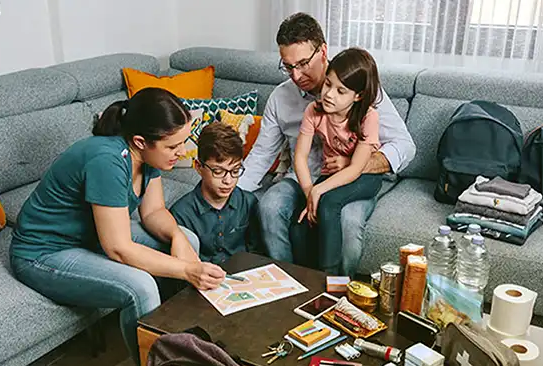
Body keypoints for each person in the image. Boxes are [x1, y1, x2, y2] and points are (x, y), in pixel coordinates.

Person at [9, 88, 226, 364]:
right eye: (173, 147)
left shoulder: (148, 156)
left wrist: (176, 236)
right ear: (140, 141)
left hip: (88, 237)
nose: (181, 153)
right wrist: (186, 269)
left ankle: (182, 339)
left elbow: (154, 212)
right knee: (141, 286)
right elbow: (119, 249)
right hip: (42, 253)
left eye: (182, 143)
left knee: (187, 239)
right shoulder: (107, 161)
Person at [237, 12, 415, 276]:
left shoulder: (359, 88)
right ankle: (289, 282)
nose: (296, 75)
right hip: (302, 179)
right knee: (269, 206)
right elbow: (262, 154)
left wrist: (355, 164)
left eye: (303, 63)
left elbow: (404, 146)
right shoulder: (281, 98)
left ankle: (339, 294)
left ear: (323, 51)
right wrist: (227, 192)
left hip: (350, 179)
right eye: (288, 66)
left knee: (349, 222)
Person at [291, 47, 383, 275]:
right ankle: (306, 277)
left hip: (364, 177)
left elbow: (354, 170)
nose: (330, 94)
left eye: (341, 91)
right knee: (301, 221)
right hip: (331, 174)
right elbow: (300, 157)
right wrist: (309, 191)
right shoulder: (314, 110)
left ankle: (330, 278)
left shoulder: (368, 117)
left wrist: (319, 190)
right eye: (328, 85)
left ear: (358, 96)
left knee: (329, 203)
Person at [170, 122, 264, 264]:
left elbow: (257, 254)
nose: (228, 180)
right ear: (199, 167)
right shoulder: (181, 214)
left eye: (235, 171)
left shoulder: (249, 202)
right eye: (218, 171)